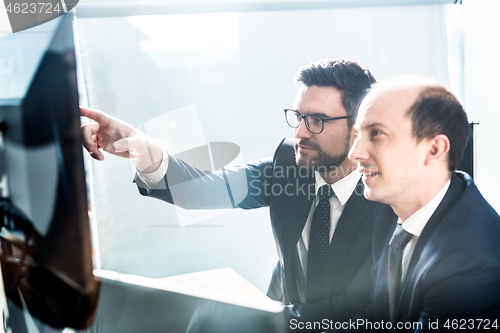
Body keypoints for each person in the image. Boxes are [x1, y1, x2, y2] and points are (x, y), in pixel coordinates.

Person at [81, 58, 379, 331]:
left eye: (317, 120)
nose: (300, 133)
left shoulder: (389, 198)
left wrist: (252, 319)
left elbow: (356, 311)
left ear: (357, 128)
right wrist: (138, 146)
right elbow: (202, 188)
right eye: (298, 117)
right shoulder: (290, 163)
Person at [342, 77, 500, 331]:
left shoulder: (470, 265)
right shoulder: (389, 211)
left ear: (434, 149)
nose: (354, 153)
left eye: (377, 134)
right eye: (358, 134)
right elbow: (378, 319)